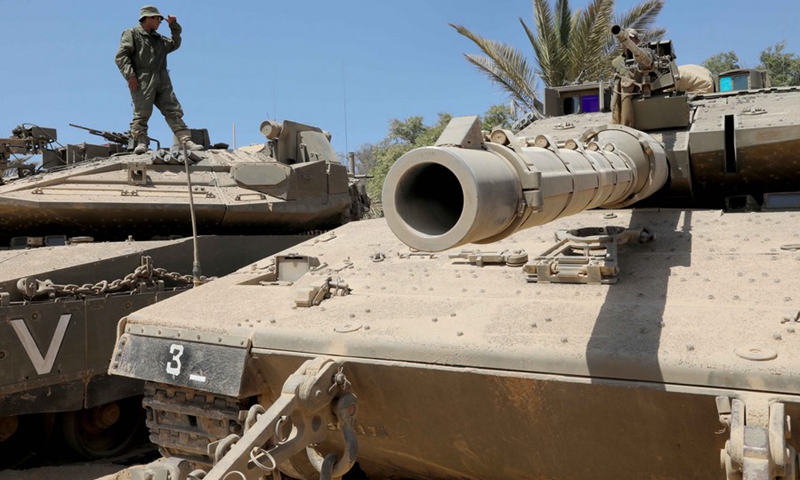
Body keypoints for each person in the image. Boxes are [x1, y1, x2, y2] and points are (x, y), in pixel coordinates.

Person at [115, 5, 203, 154]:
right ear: (149, 18)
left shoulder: (158, 39)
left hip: (162, 79)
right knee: (141, 113)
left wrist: (173, 26)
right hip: (142, 79)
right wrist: (130, 76)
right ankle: (141, 142)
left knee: (172, 110)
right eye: (158, 19)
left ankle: (185, 140)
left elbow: (174, 44)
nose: (160, 22)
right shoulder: (132, 33)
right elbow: (122, 56)